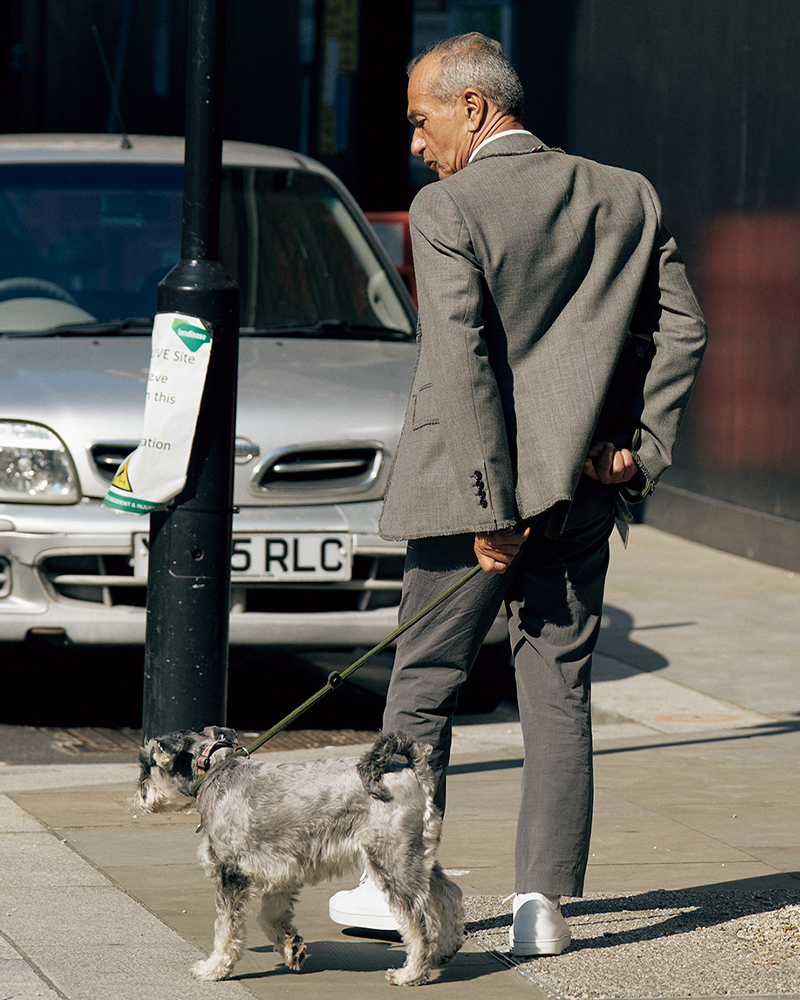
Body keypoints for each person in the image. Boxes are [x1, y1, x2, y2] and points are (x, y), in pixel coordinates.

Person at [330, 32, 707, 956]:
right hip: (584, 493)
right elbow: (685, 330)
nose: (415, 143)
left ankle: (395, 894)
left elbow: (459, 365)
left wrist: (492, 513)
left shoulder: (447, 206)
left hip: (473, 506)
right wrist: (639, 450)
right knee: (559, 697)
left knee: (421, 687)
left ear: (472, 106)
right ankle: (542, 905)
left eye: (421, 120)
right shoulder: (627, 194)